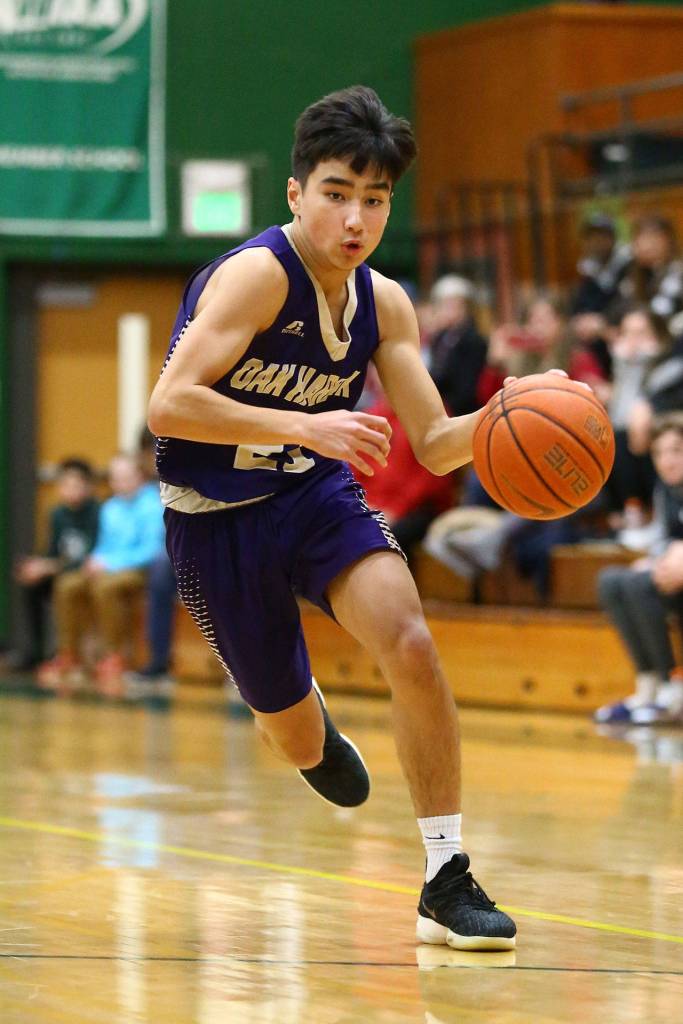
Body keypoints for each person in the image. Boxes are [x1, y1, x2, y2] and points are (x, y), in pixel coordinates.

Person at [148, 86, 520, 951]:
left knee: (413, 642)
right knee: (297, 739)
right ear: (295, 194)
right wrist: (300, 423)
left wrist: (514, 413)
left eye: (375, 199)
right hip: (211, 520)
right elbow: (169, 405)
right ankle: (301, 716)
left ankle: (445, 875)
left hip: (312, 498)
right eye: (336, 193)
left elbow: (431, 443)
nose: (355, 218)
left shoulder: (385, 302)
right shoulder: (255, 276)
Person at [38, 453, 165, 696]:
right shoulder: (111, 507)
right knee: (67, 584)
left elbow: (152, 550)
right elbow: (104, 544)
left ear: (140, 477)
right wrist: (95, 559)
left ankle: (114, 654)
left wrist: (109, 563)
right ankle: (69, 653)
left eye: (125, 478)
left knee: (105, 586)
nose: (119, 484)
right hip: (108, 565)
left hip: (138, 569)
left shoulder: (152, 505)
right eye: (115, 479)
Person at [595, 413, 683, 726]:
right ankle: (648, 686)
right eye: (659, 453)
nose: (667, 460)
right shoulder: (666, 492)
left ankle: (673, 688)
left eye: (676, 451)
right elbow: (663, 539)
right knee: (611, 580)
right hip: (673, 581)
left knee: (641, 585)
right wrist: (656, 557)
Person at [4, 458, 99, 671]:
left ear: (87, 486)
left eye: (75, 485)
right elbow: (52, 552)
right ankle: (35, 652)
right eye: (64, 485)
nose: (69, 490)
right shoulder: (57, 514)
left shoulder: (96, 513)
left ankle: (67, 653)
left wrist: (49, 567)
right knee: (32, 585)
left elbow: (89, 555)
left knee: (66, 585)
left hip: (84, 572)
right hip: (62, 569)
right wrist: (37, 565)